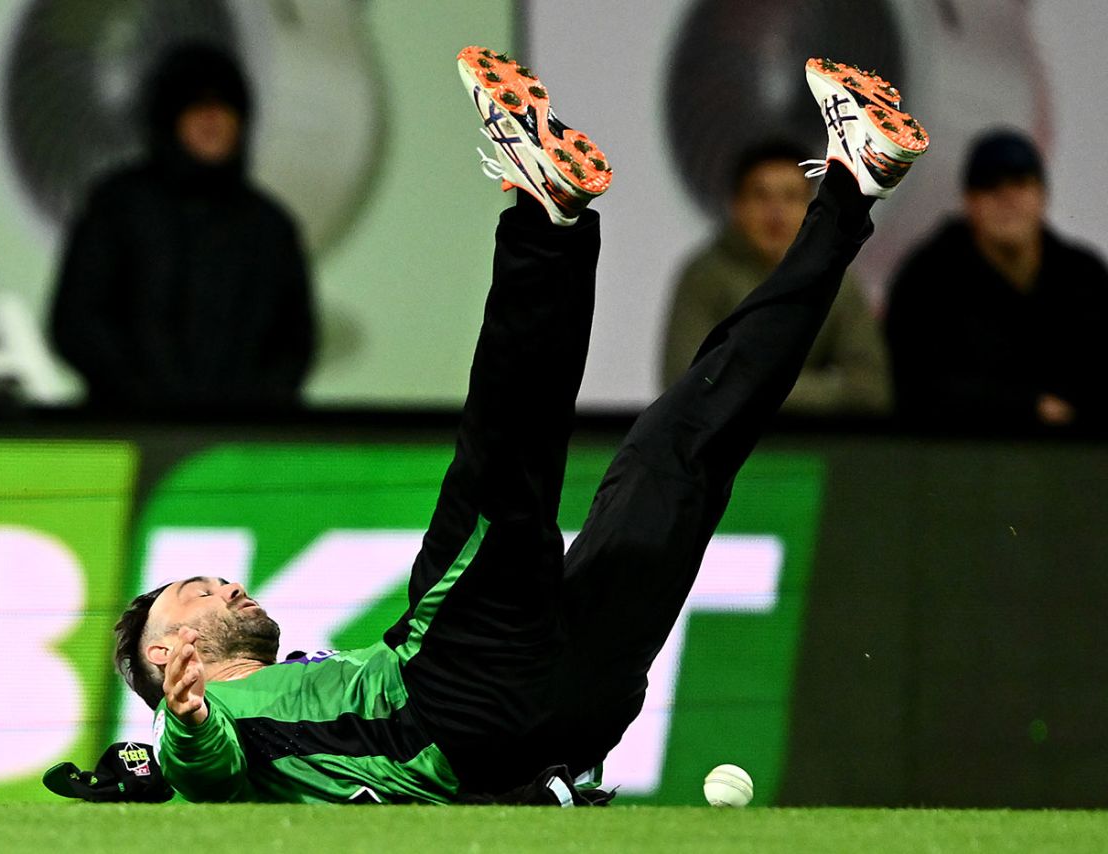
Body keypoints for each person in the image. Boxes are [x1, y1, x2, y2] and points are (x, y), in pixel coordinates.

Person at [111, 50, 926, 805]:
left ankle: (852, 187)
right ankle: (544, 216)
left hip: (567, 711)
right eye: (197, 594)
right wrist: (184, 720)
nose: (226, 586)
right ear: (164, 654)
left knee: (684, 446)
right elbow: (198, 764)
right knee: (500, 465)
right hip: (460, 698)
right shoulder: (213, 721)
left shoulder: (295, 703)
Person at [50, 43, 315, 413]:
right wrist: (142, 399)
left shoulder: (270, 227)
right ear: (168, 118)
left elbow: (294, 343)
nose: (211, 120)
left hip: (240, 437)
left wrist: (249, 410)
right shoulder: (119, 207)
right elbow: (78, 323)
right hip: (130, 427)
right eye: (195, 106)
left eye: (224, 106)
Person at [884, 129, 1108, 430]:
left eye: (1019, 183)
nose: (1007, 199)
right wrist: (1029, 408)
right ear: (969, 201)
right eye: (990, 187)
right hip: (963, 447)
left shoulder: (1083, 277)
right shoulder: (927, 280)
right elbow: (916, 385)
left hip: (1076, 450)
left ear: (1042, 195)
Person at [661, 140, 891, 417]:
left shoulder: (836, 279)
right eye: (761, 196)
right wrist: (827, 390)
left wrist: (744, 385)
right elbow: (684, 383)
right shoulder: (705, 277)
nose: (776, 212)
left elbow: (870, 391)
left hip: (811, 438)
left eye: (791, 197)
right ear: (736, 206)